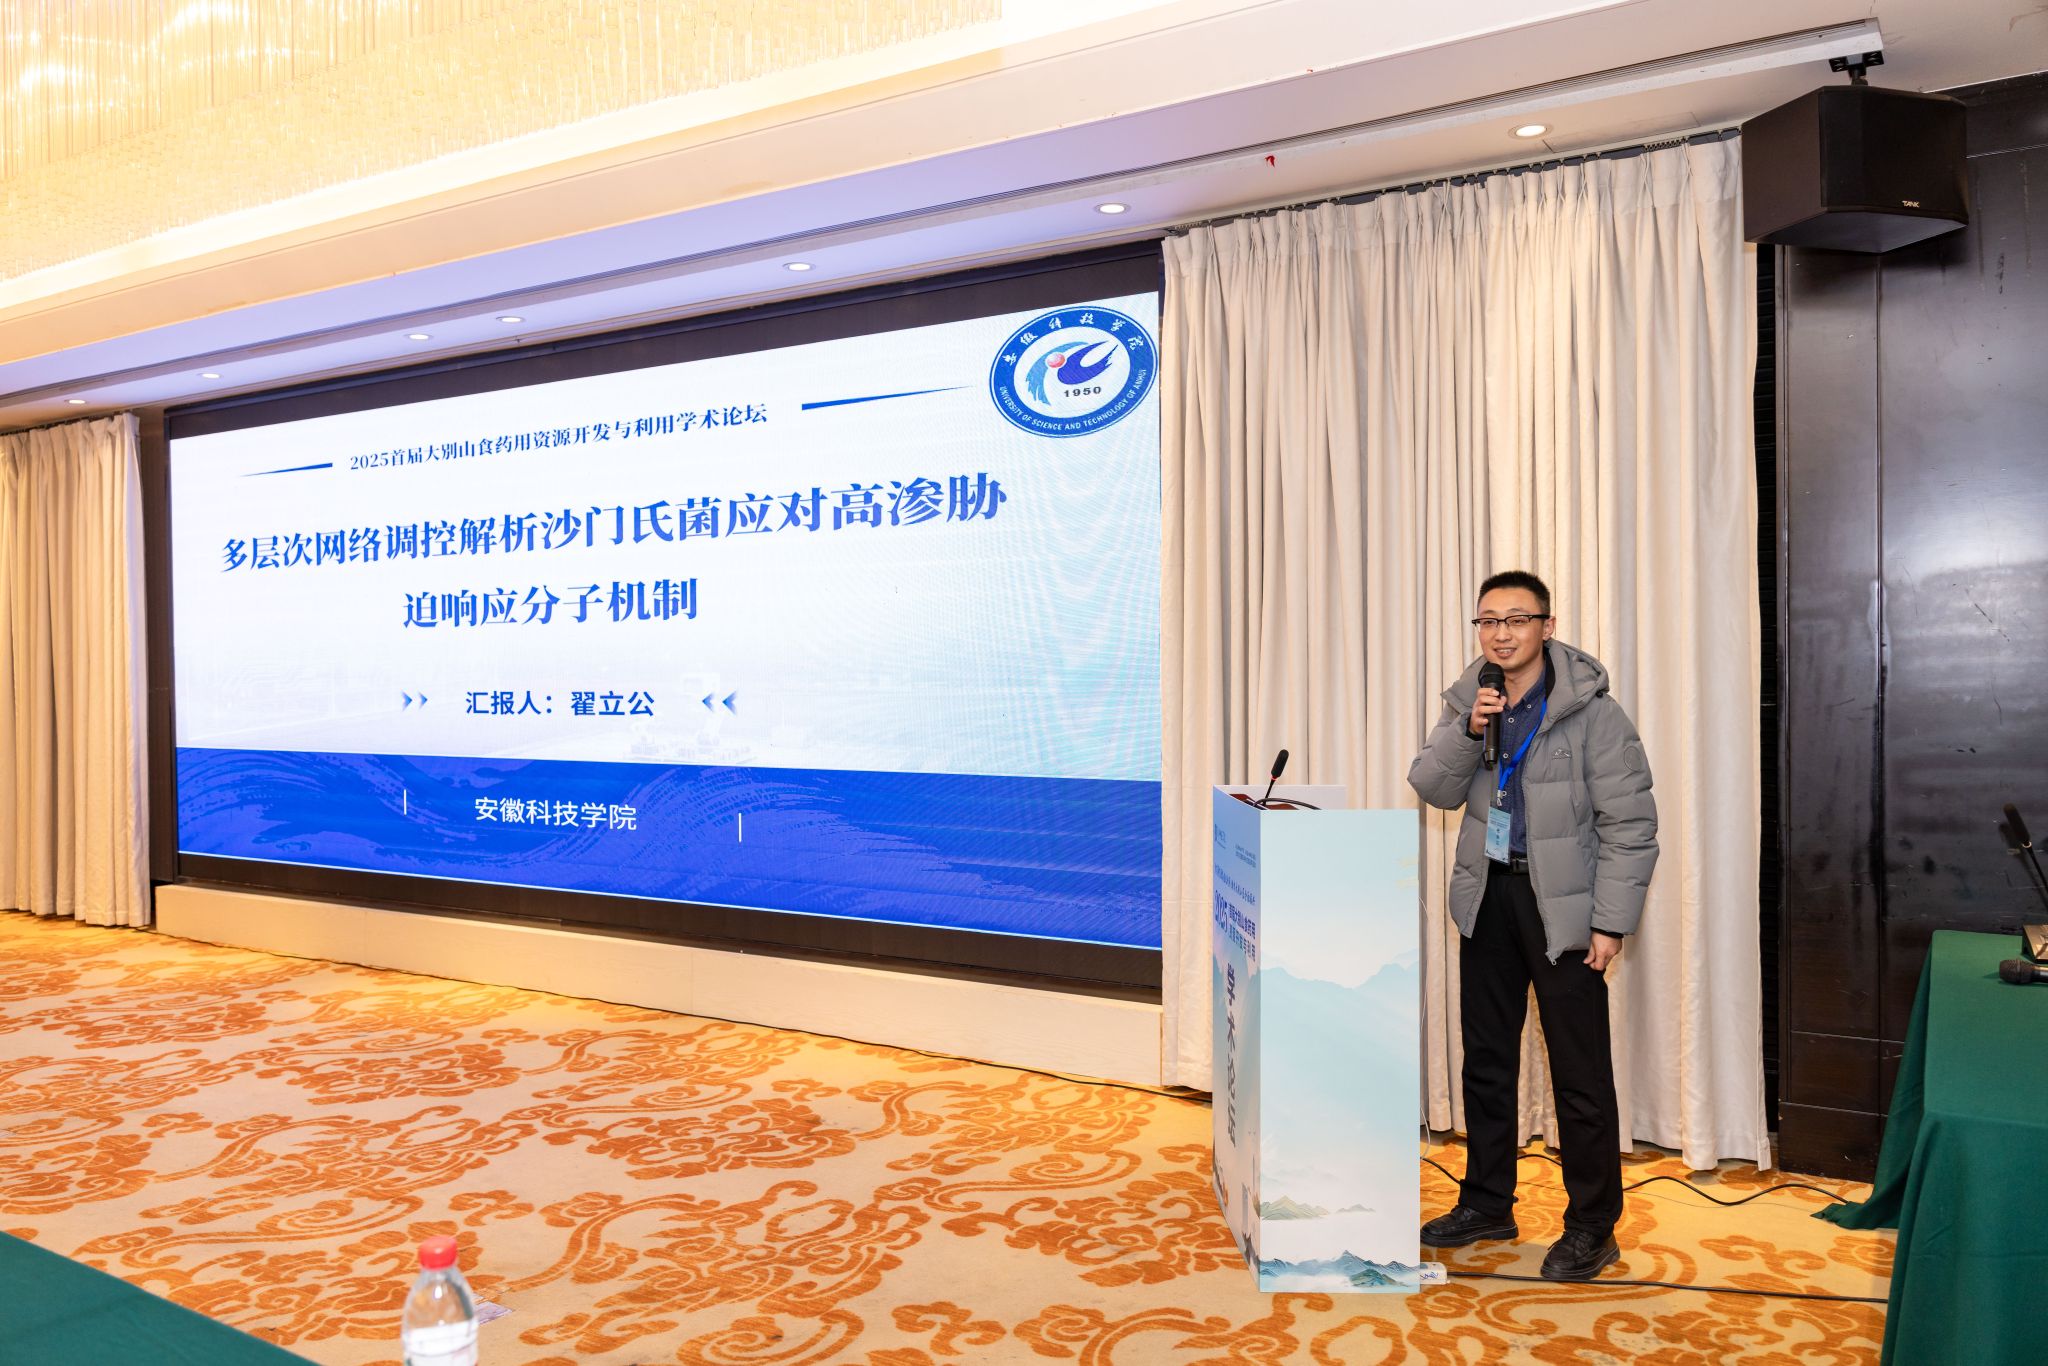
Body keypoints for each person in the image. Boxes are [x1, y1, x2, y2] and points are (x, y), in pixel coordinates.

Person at [1406, 570, 1657, 1282]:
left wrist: (1610, 923)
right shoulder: (1470, 701)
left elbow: (1631, 825)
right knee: (1486, 1062)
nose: (1501, 634)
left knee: (1580, 1075)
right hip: (1489, 900)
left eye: (1516, 619)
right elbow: (1432, 786)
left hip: (1566, 910)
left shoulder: (1593, 714)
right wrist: (1469, 730)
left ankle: (1592, 1227)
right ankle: (1487, 1202)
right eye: (1488, 621)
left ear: (1547, 626)